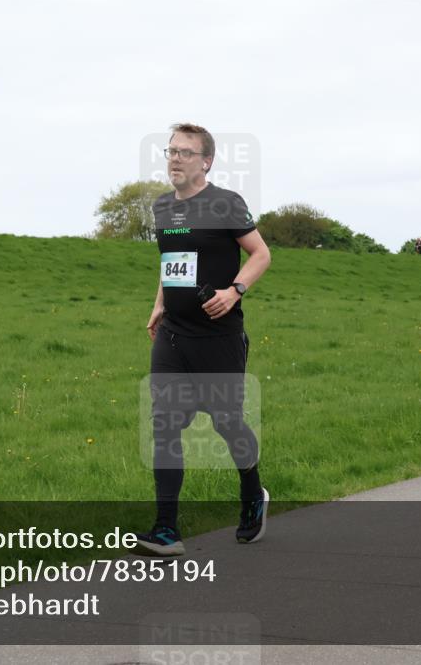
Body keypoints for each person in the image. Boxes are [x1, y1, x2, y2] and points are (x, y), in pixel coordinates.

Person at [135, 123, 272, 556]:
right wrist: (160, 302)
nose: (175, 158)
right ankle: (165, 530)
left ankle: (252, 493)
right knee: (164, 425)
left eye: (185, 153)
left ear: (206, 161)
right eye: (170, 151)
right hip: (174, 336)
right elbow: (171, 263)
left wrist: (235, 292)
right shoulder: (161, 208)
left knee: (227, 422)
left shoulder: (225, 204)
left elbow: (261, 254)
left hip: (219, 339)